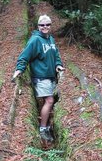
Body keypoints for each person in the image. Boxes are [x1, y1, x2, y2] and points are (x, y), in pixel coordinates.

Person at [12, 14, 64, 142]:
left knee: (50, 101)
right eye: (42, 25)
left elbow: (56, 54)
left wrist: (58, 65)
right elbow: (25, 56)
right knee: (50, 101)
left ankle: (47, 122)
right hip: (41, 77)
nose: (45, 27)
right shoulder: (35, 40)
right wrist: (19, 69)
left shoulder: (50, 39)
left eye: (47, 25)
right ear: (38, 26)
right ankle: (43, 129)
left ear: (50, 26)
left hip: (51, 76)